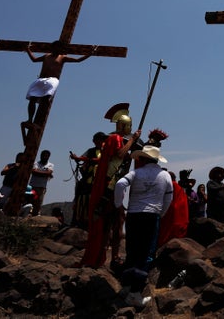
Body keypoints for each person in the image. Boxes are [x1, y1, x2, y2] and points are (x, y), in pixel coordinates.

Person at [80, 107, 141, 269]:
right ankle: (102, 255)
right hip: (110, 184)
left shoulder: (120, 139)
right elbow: (120, 154)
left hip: (117, 184)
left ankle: (113, 256)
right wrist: (133, 139)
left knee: (117, 220)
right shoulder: (114, 139)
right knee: (109, 221)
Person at [114, 145, 172, 309]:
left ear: (144, 159)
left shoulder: (136, 173)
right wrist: (160, 213)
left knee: (132, 250)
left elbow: (120, 184)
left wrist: (119, 204)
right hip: (151, 215)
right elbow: (168, 198)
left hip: (133, 215)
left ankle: (126, 287)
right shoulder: (165, 175)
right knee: (146, 253)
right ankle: (135, 293)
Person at [23, 41, 95, 129]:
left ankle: (38, 123)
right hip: (41, 79)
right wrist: (28, 50)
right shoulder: (47, 56)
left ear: (61, 49)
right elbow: (34, 60)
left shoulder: (62, 57)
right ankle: (30, 120)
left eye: (58, 48)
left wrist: (90, 53)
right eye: (55, 47)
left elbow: (78, 60)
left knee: (45, 100)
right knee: (32, 99)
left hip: (52, 80)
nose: (56, 49)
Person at [70, 131, 107, 229]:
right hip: (88, 181)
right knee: (80, 197)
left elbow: (100, 160)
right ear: (94, 141)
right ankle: (78, 220)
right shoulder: (90, 151)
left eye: (103, 139)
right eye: (100, 139)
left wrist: (83, 159)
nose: (102, 141)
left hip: (101, 181)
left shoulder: (107, 151)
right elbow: (82, 158)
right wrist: (76, 158)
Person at [157, 171, 189, 248]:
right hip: (180, 213)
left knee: (166, 232)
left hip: (170, 212)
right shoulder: (178, 187)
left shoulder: (171, 185)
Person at [29, 150, 54, 216]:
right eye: (43, 155)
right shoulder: (35, 163)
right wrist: (45, 173)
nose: (44, 157)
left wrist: (39, 172)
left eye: (46, 156)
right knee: (29, 202)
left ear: (48, 157)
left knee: (38, 203)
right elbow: (33, 172)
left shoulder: (50, 165)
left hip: (42, 187)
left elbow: (49, 173)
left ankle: (36, 216)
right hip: (32, 186)